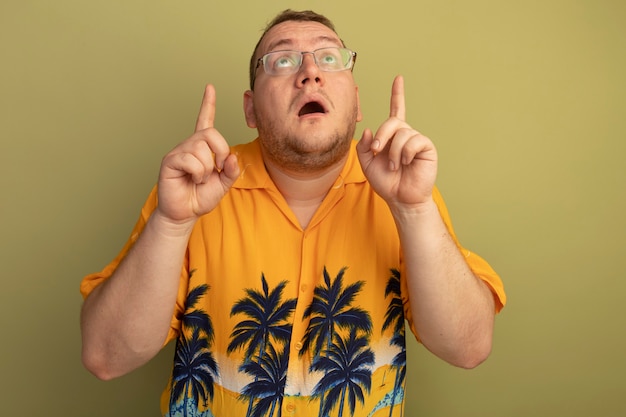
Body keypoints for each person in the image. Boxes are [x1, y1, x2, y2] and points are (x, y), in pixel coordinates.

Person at [80, 9, 506, 417]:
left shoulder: (407, 193)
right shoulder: (190, 191)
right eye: (282, 60)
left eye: (328, 57)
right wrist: (171, 225)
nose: (310, 72)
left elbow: (467, 348)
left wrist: (414, 211)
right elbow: (105, 357)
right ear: (250, 109)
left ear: (356, 104)